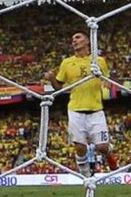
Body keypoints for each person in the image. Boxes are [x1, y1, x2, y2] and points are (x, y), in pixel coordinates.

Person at [44, 31, 118, 177]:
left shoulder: (99, 61)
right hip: (75, 110)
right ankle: (86, 177)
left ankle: (109, 155)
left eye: (78, 38)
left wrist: (107, 83)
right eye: (73, 39)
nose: (74, 41)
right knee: (80, 148)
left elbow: (107, 79)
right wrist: (52, 79)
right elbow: (58, 87)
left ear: (87, 42)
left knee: (102, 147)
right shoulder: (67, 63)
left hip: (96, 110)